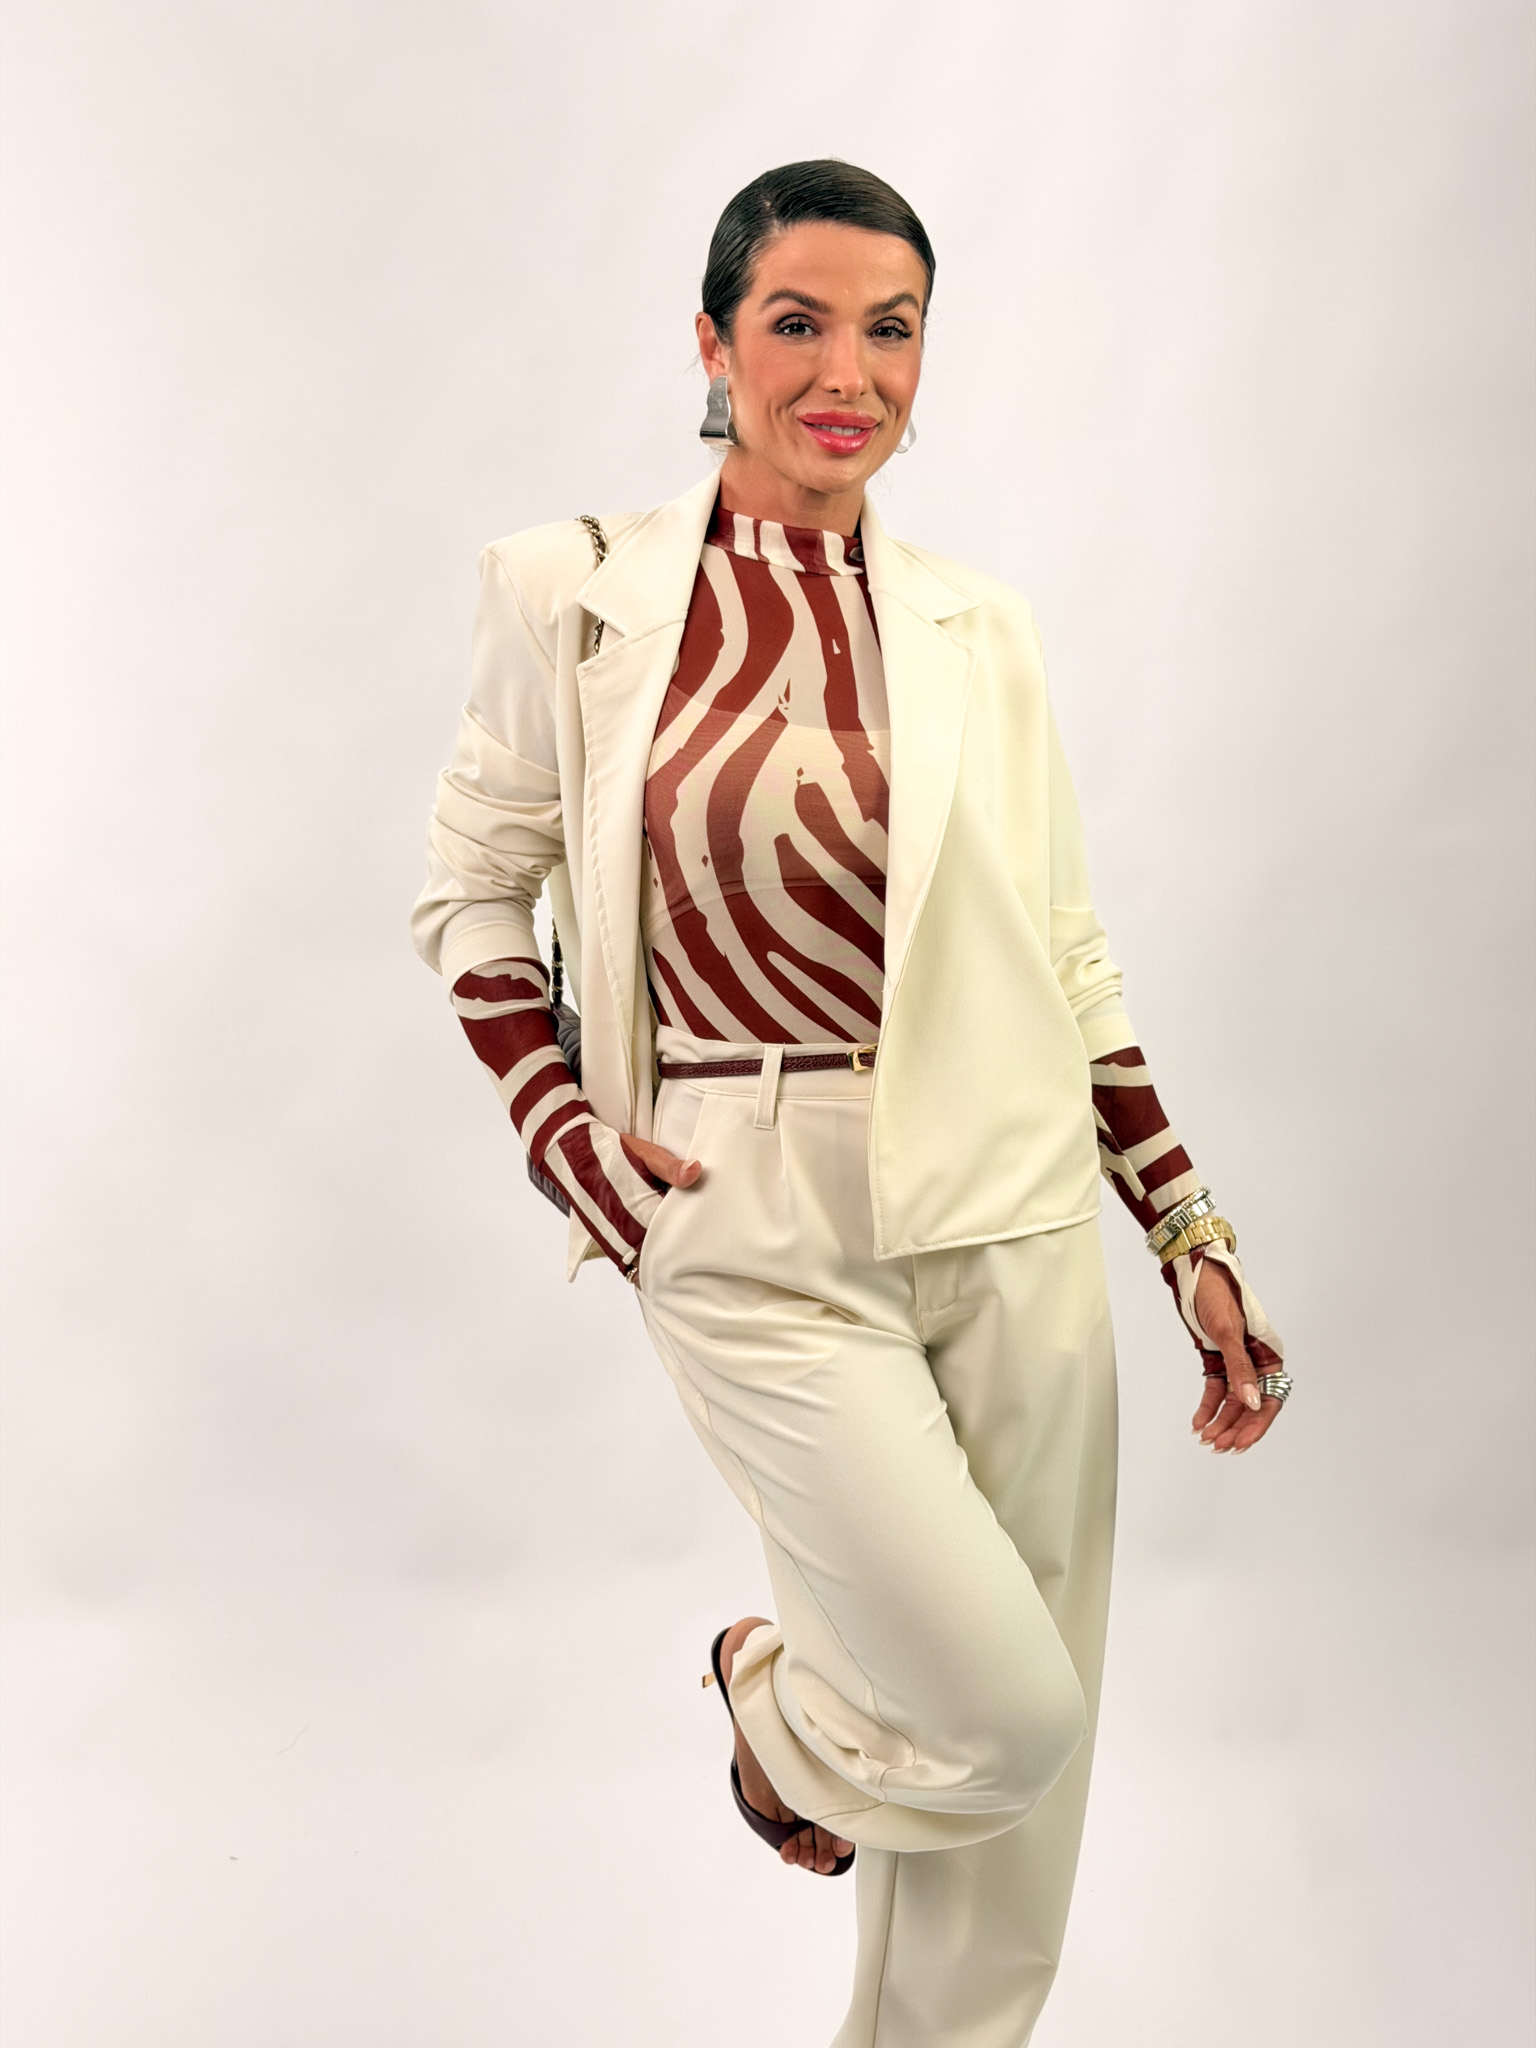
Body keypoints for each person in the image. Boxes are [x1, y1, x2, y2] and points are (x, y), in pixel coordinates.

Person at [411, 159, 1289, 2048]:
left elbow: (1064, 952)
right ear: (712, 342)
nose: (846, 373)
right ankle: (773, 1709)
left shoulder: (981, 626)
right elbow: (470, 897)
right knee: (998, 1714)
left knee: (1020, 1815)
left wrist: (1185, 1228)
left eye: (891, 330)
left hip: (1012, 1194)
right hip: (736, 1198)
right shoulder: (569, 595)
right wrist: (566, 1134)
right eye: (796, 322)